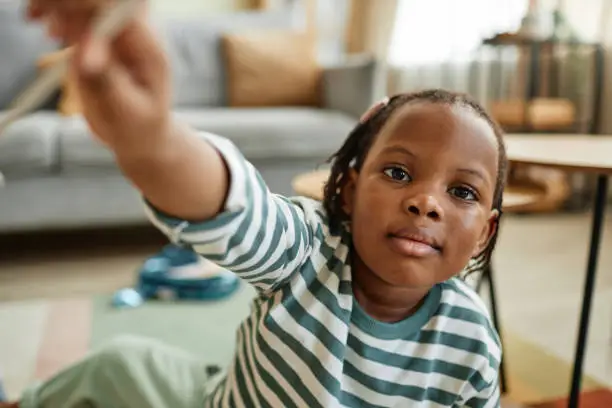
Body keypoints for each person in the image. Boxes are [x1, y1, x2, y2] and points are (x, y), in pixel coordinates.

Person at [3, 1, 508, 407]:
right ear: (351, 192)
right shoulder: (307, 249)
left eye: (461, 192)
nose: (425, 202)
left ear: (484, 231)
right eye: (398, 173)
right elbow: (229, 207)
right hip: (215, 398)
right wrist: (152, 138)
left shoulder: (473, 346)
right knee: (119, 363)